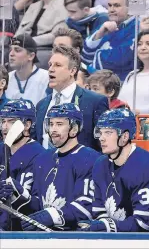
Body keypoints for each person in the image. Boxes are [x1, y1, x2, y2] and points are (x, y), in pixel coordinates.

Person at [77, 108, 149, 232]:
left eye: (108, 133)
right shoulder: (100, 165)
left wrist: (107, 227)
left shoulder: (146, 164)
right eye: (100, 133)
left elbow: (144, 224)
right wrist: (103, 225)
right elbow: (99, 211)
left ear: (124, 136)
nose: (101, 138)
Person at [21, 103, 101, 231]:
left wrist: (52, 216)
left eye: (59, 124)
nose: (53, 129)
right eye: (51, 124)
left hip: (74, 237)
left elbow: (86, 206)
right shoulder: (42, 159)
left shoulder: (90, 159)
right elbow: (38, 202)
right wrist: (19, 195)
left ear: (74, 129)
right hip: (43, 236)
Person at [35, 46, 109, 150]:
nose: (51, 69)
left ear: (72, 71)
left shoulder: (95, 102)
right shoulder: (41, 105)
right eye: (50, 65)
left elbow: (103, 145)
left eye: (58, 65)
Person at [0, 99, 45, 231]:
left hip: (23, 231)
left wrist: (20, 194)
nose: (4, 127)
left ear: (27, 125)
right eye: (3, 121)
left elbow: (41, 205)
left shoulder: (41, 156)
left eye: (11, 122)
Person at [82, 0, 136, 81]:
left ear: (130, 8)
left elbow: (119, 59)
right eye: (109, 5)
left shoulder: (136, 27)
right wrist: (99, 34)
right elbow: (85, 55)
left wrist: (96, 55)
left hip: (120, 83)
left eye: (116, 6)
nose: (111, 9)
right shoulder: (105, 24)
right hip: (96, 79)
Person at [6, 34, 49, 106]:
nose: (11, 54)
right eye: (10, 50)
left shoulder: (47, 78)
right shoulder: (6, 78)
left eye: (17, 50)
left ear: (31, 56)